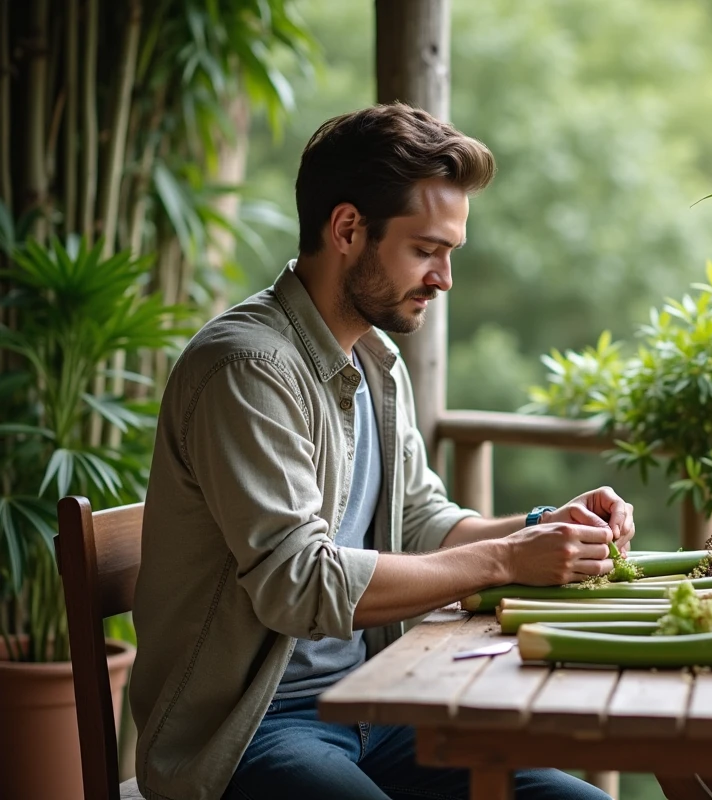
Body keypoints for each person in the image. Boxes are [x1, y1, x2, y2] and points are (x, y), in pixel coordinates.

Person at [129, 103, 632, 800]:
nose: (444, 278)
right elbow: (298, 585)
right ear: (346, 229)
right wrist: (507, 560)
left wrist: (543, 528)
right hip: (253, 732)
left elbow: (424, 521)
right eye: (426, 250)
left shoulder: (373, 358)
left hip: (381, 704)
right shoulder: (246, 369)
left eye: (449, 253)